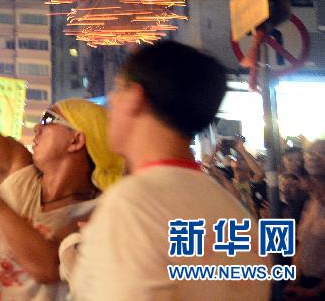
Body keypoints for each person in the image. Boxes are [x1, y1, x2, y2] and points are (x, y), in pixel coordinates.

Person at [69, 41, 269, 300]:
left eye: (118, 88)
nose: (112, 101)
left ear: (135, 98)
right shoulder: (236, 215)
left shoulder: (132, 206)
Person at [0, 6, 123, 300]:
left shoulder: (96, 210)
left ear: (76, 141)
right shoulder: (19, 166)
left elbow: (47, 266)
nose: (36, 128)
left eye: (47, 121)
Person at [285, 140, 324, 299]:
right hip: (303, 283)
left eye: (322, 153)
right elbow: (301, 243)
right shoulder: (310, 202)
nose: (314, 157)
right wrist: (295, 279)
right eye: (310, 153)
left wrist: (313, 292)